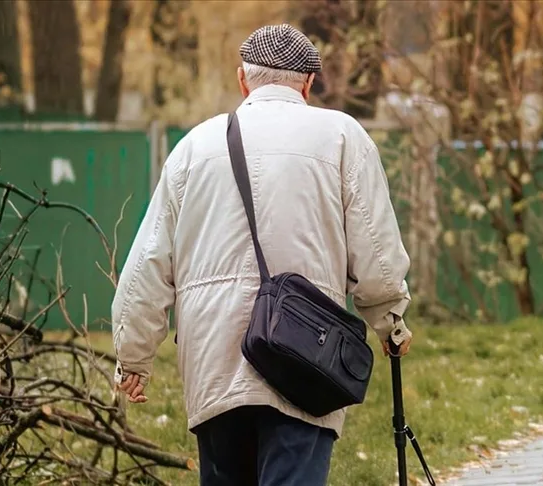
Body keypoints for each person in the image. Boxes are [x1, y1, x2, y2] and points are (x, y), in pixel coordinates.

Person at [111, 23, 413, 486]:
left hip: (214, 359)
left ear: (242, 80)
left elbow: (150, 262)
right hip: (304, 357)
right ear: (309, 83)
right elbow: (375, 246)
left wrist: (133, 356)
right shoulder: (341, 137)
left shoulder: (194, 147)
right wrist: (390, 319)